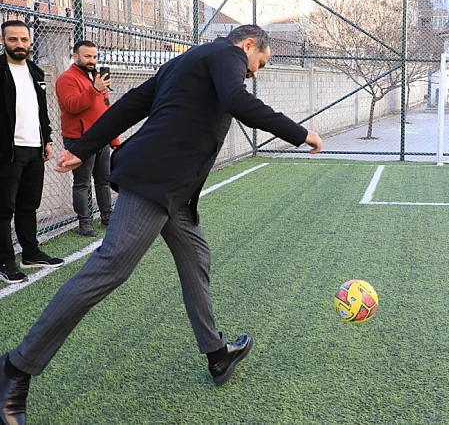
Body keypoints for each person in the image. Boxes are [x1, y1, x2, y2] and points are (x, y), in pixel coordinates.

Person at [0, 24, 324, 424]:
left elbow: (130, 104)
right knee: (108, 270)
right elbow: (236, 101)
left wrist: (84, 147)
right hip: (156, 183)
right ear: (249, 45)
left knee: (196, 261)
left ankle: (217, 355)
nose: (254, 72)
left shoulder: (189, 60)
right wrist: (300, 133)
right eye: (259, 63)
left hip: (176, 193)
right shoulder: (226, 55)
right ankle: (16, 367)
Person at [0, 20, 64, 286]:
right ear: (3, 40)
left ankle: (30, 253)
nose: (19, 45)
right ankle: (5, 262)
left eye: (24, 40)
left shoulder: (36, 71)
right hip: (7, 152)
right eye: (13, 40)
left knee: (29, 205)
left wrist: (46, 139)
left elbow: (42, 111)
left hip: (35, 149)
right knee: (4, 209)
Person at [56, 40, 119, 237]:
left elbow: (106, 110)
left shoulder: (96, 78)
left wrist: (114, 140)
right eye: (87, 56)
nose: (92, 60)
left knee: (103, 181)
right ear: (75, 57)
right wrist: (95, 89)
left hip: (100, 138)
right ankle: (84, 222)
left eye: (94, 56)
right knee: (82, 183)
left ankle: (107, 216)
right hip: (79, 140)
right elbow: (71, 106)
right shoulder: (67, 79)